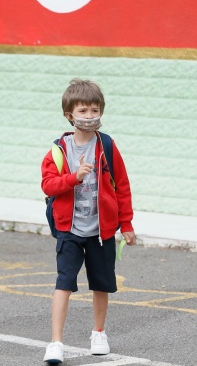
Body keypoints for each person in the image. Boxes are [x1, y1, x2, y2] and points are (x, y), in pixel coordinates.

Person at [41, 78, 136, 364]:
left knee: (101, 284)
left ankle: (98, 333)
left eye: (95, 110)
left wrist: (127, 223)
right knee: (64, 282)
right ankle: (56, 342)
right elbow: (48, 185)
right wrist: (74, 177)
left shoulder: (107, 145)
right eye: (83, 111)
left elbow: (122, 184)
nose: (90, 116)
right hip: (68, 229)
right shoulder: (58, 151)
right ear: (69, 115)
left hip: (101, 231)